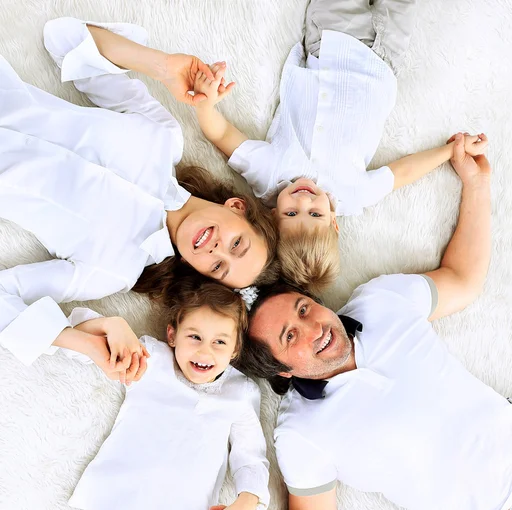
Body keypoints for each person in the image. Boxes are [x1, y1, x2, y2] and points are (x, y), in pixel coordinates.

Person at [195, 135, 512, 510]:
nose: (314, 327)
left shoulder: (380, 301)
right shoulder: (301, 432)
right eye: (291, 335)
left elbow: (462, 278)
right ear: (282, 370)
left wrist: (477, 185)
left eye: (304, 310)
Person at [0, 17, 278, 382]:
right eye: (236, 244)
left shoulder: (113, 268)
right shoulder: (163, 138)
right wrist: (163, 66)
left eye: (218, 268)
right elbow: (65, 40)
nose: (215, 251)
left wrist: (85, 341)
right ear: (237, 207)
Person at [192, 0, 487, 293]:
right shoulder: (351, 195)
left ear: (272, 215)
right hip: (384, 61)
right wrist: (450, 151)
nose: (304, 201)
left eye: (291, 214)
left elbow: (223, 137)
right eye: (315, 214)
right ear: (334, 222)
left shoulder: (270, 177)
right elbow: (402, 172)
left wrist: (206, 105)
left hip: (332, 43)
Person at [57, 273, 269, 510]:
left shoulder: (240, 394)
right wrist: (110, 324)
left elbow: (250, 456)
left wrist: (246, 502)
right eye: (194, 337)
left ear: (235, 349)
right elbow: (84, 342)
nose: (205, 352)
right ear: (172, 335)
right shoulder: (152, 361)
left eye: (220, 342)